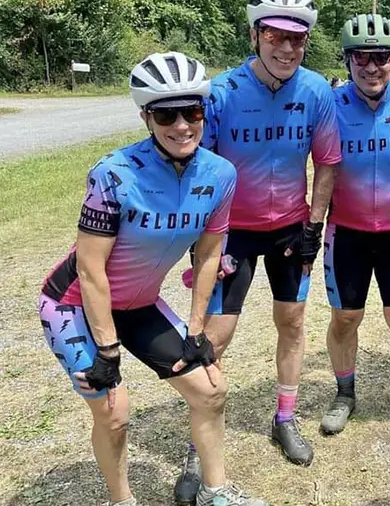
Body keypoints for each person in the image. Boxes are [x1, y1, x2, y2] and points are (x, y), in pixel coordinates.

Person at [38, 52, 265, 506]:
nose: (182, 125)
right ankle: (122, 501)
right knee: (115, 413)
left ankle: (215, 492)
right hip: (75, 305)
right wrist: (106, 349)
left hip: (138, 304)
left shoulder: (220, 174)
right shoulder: (113, 174)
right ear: (146, 116)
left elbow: (208, 256)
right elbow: (89, 269)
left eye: (193, 111)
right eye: (166, 114)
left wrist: (197, 330)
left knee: (210, 391)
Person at [174, 0, 341, 488]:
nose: (287, 47)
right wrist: (201, 237)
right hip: (233, 234)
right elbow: (198, 166)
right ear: (255, 34)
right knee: (214, 338)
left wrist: (314, 228)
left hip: (290, 229)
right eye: (276, 36)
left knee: (291, 322)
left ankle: (285, 418)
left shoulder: (316, 91)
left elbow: (327, 164)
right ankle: (194, 447)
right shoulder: (221, 93)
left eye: (298, 38)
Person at [319, 14, 390, 449]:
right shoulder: (330, 103)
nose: (371, 67)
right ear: (347, 60)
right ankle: (345, 393)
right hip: (345, 230)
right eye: (361, 57)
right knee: (346, 317)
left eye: (380, 57)